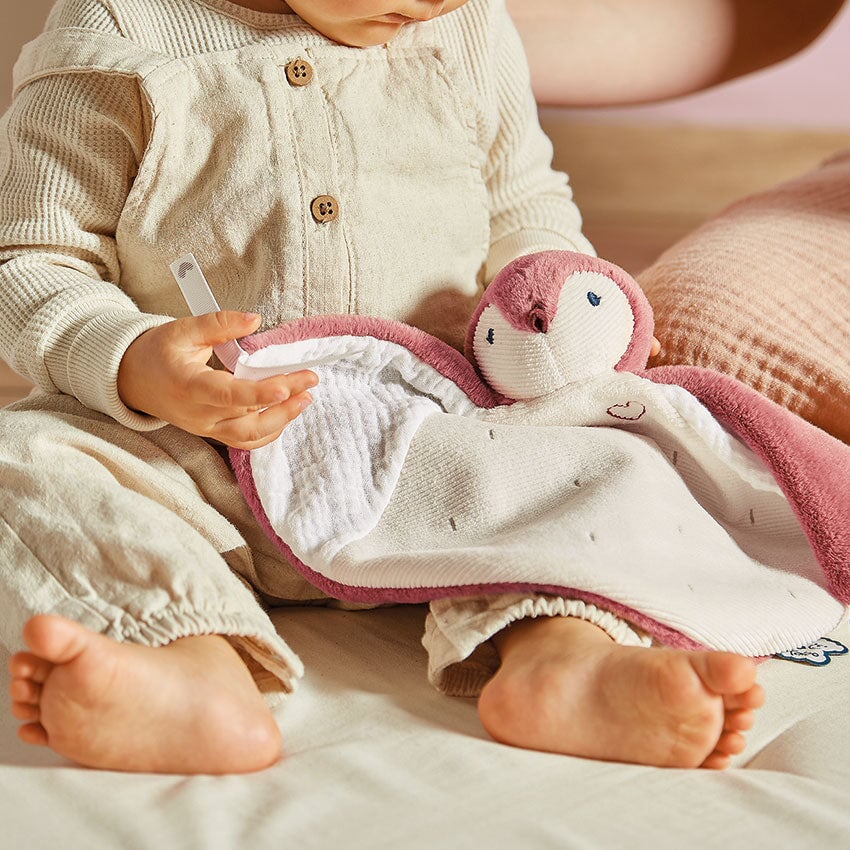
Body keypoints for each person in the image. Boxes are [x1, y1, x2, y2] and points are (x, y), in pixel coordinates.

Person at [8, 0, 826, 776]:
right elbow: (34, 259)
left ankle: (559, 656)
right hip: (197, 451)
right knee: (31, 458)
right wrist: (132, 360)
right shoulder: (117, 36)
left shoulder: (467, 30)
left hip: (432, 443)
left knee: (607, 458)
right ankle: (184, 657)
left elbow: (523, 202)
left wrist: (555, 295)